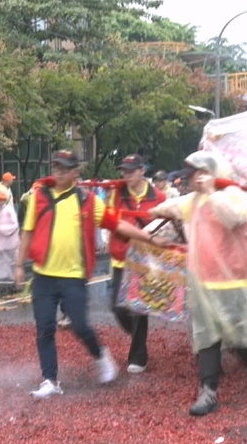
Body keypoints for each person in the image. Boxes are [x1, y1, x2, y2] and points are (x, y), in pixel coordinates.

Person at [14, 150, 162, 398]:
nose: (59, 173)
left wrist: (148, 237)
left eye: (64, 169)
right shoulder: (39, 197)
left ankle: (99, 354)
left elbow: (116, 223)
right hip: (43, 276)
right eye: (56, 168)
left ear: (75, 172)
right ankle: (50, 380)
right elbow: (27, 232)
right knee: (45, 327)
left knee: (81, 325)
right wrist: (19, 265)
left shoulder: (88, 201)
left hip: (73, 276)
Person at [150, 151, 247, 416]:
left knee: (236, 339)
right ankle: (208, 391)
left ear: (207, 174)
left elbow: (235, 219)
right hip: (204, 283)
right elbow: (171, 207)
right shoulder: (193, 201)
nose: (190, 180)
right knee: (207, 339)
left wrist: (212, 192)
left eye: (194, 174)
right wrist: (148, 213)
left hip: (233, 282)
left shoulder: (232, 195)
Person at [108, 154, 166, 374]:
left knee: (140, 308)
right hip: (121, 256)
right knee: (117, 307)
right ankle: (138, 337)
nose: (127, 175)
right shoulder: (117, 193)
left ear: (143, 171)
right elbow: (110, 218)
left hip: (144, 259)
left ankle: (138, 356)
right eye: (124, 171)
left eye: (131, 171)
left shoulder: (159, 196)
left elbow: (163, 225)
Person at [0, 190, 20, 285]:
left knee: (12, 261)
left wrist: (1, 228)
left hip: (10, 241)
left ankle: (15, 280)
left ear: (5, 200)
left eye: (1, 200)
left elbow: (15, 225)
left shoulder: (9, 210)